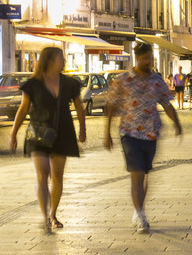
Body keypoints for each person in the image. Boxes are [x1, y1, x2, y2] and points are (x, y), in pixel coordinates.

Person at [103, 41, 182, 233]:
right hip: (129, 133)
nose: (149, 61)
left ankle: (139, 209)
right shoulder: (123, 80)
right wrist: (106, 134)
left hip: (151, 132)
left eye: (150, 58)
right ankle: (140, 214)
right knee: (136, 174)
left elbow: (167, 104)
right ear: (137, 58)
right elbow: (111, 107)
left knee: (144, 174)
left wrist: (177, 124)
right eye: (146, 58)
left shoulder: (157, 80)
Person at [9, 45, 87, 232]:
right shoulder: (33, 84)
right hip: (38, 133)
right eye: (61, 58)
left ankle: (53, 214)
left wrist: (82, 129)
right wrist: (13, 132)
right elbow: (23, 109)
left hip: (63, 133)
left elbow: (79, 107)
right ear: (51, 60)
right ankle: (45, 217)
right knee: (43, 174)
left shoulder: (70, 83)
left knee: (57, 176)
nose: (64, 61)